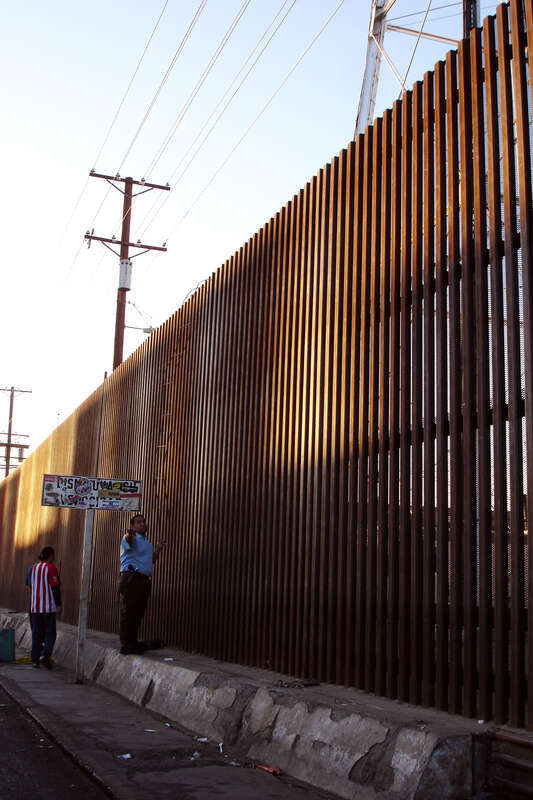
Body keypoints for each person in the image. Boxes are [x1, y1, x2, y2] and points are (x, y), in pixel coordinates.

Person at [119, 513, 166, 655]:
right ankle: (126, 644)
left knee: (138, 612)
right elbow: (128, 541)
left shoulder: (147, 543)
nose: (142, 524)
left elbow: (151, 560)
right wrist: (129, 534)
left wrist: (157, 549)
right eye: (138, 522)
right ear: (132, 526)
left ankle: (133, 642)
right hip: (132, 578)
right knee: (130, 612)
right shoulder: (130, 538)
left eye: (144, 521)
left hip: (144, 580)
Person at [26, 546, 62, 669]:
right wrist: (58, 604)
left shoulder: (32, 568)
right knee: (50, 633)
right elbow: (55, 587)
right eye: (53, 555)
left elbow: (30, 587)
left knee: (36, 633)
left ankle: (35, 659)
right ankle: (45, 655)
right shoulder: (51, 568)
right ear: (50, 556)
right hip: (48, 607)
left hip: (35, 607)